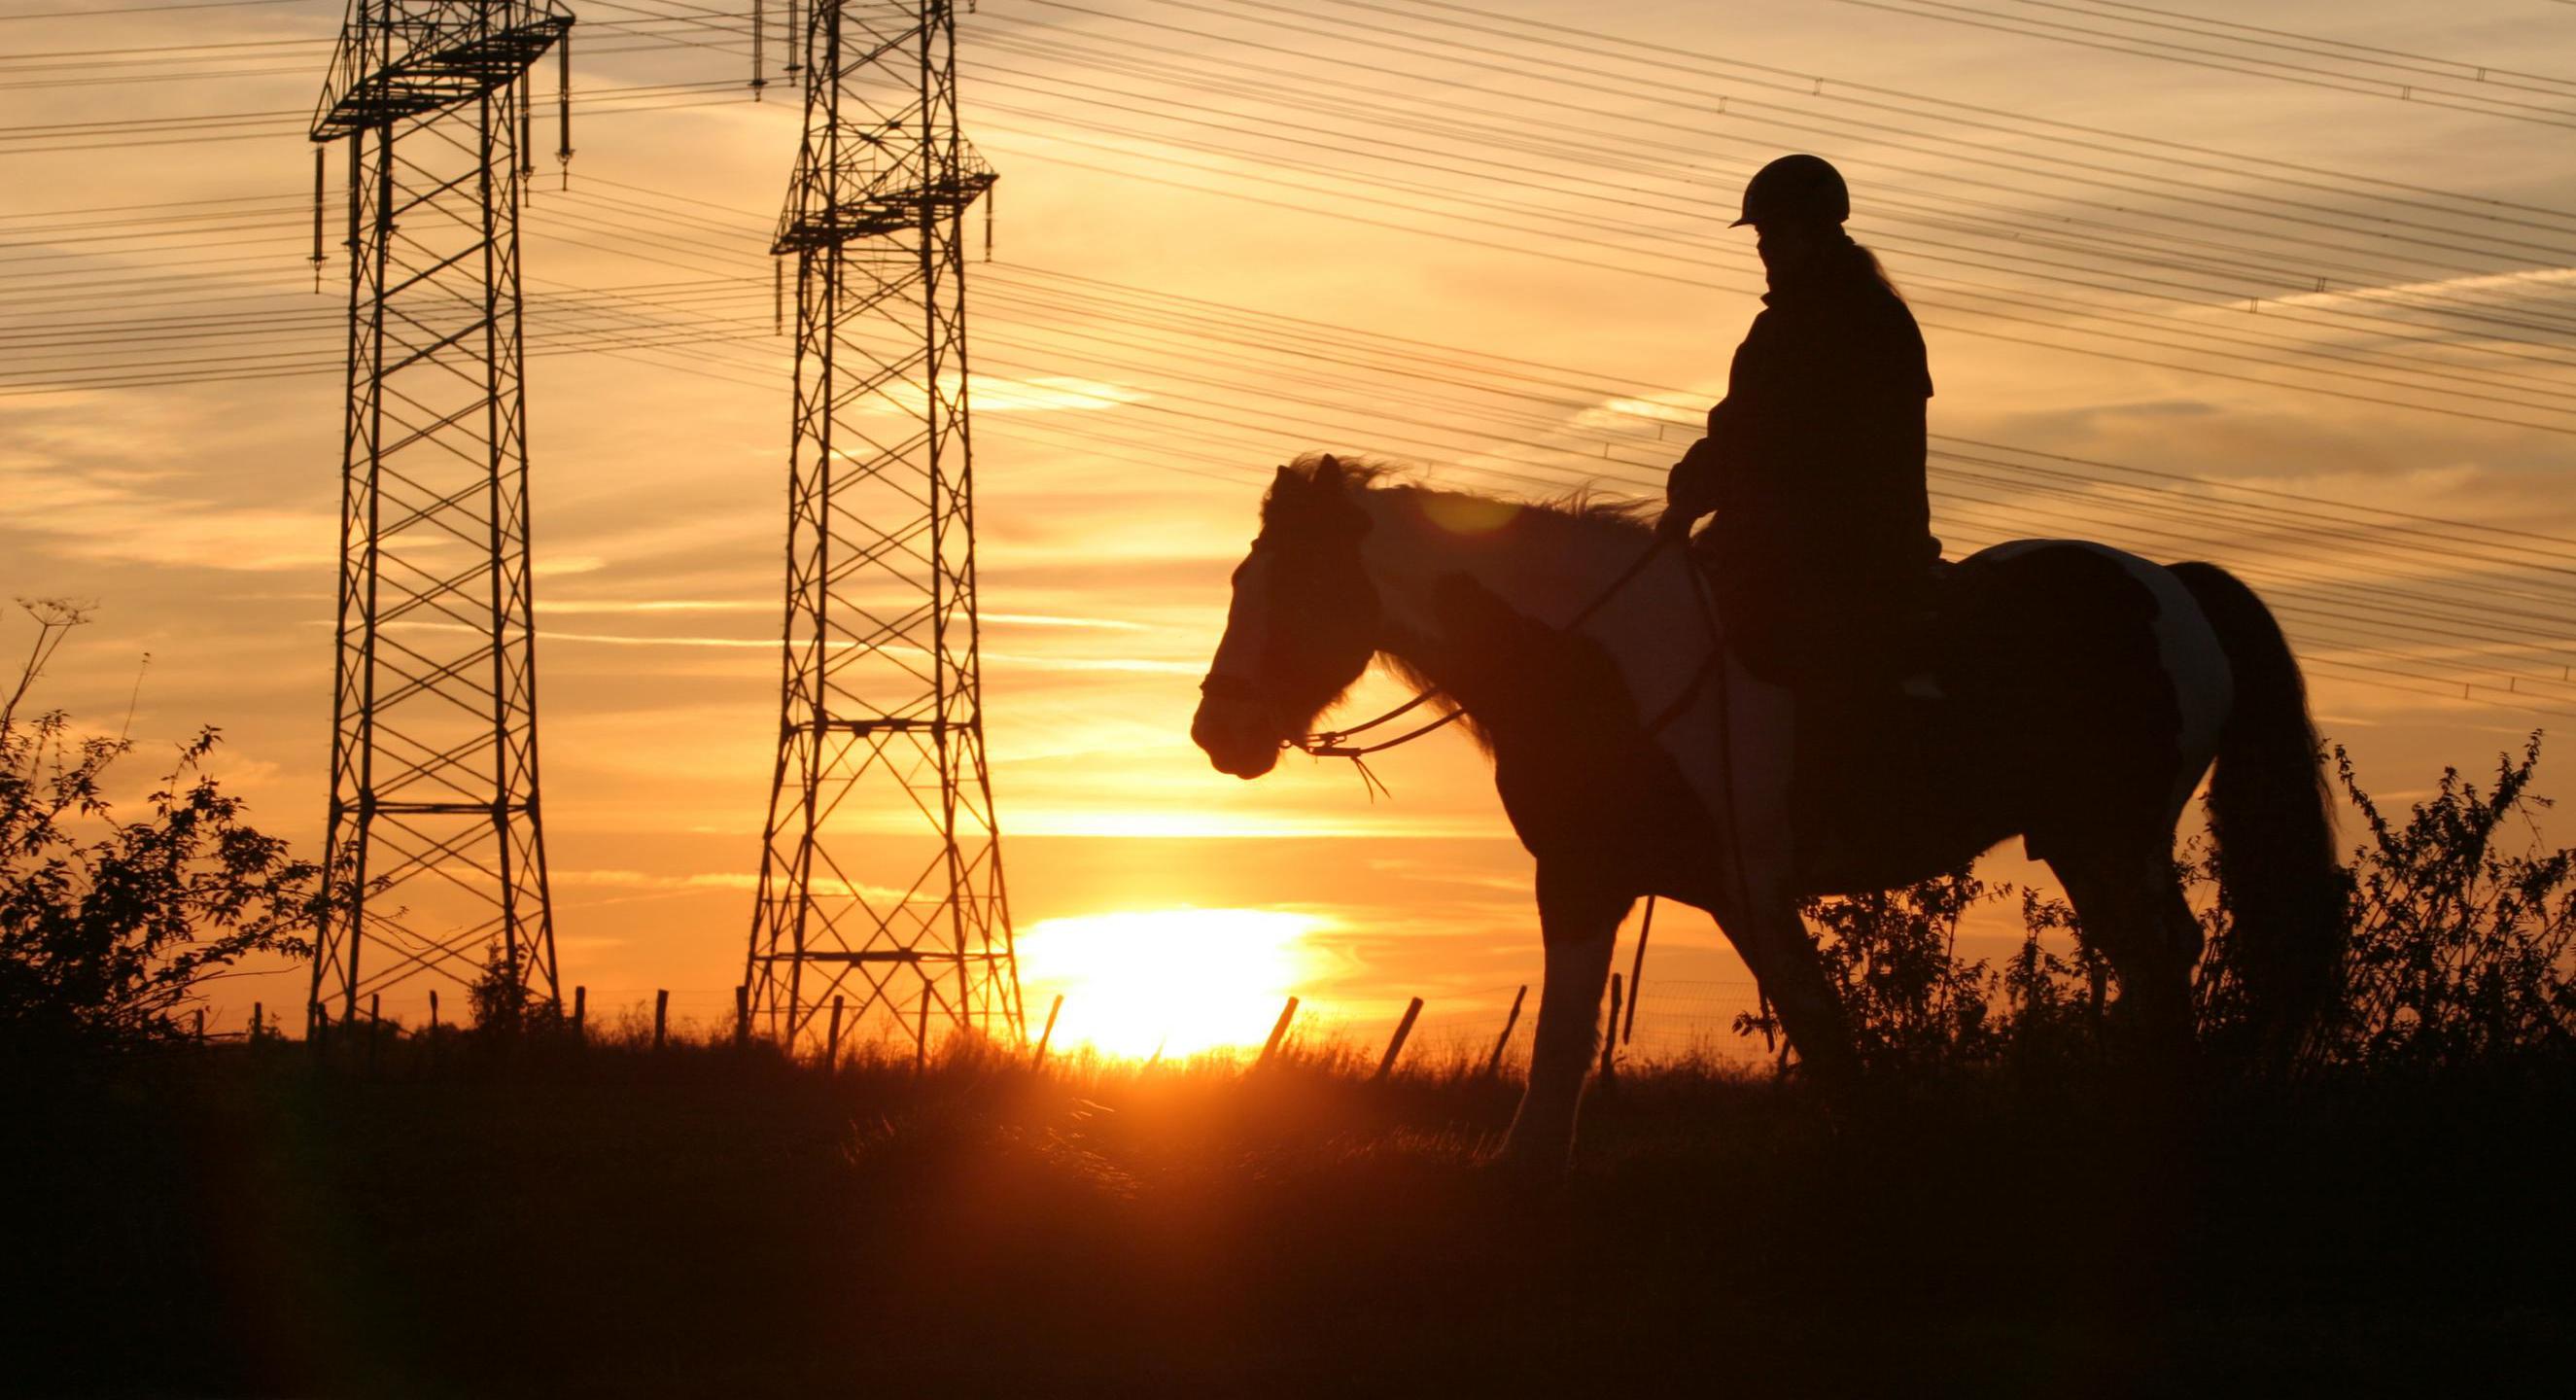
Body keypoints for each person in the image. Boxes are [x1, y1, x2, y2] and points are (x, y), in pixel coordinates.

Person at [1661, 154, 1940, 694]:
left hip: (1827, 555)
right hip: (1845, 542)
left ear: (1805, 230)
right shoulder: (1860, 310)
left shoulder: (1812, 321)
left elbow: (1758, 436)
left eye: (1768, 233)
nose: (1761, 249)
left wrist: (1687, 503)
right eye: (1759, 235)